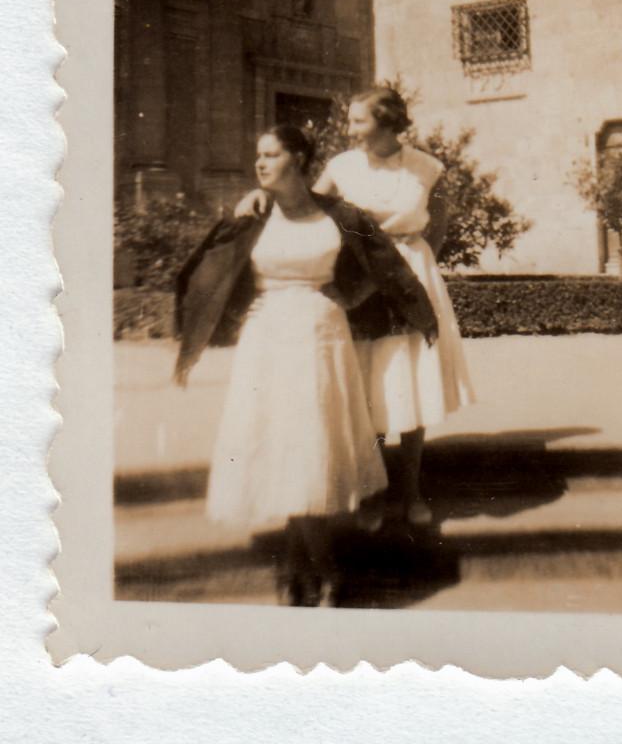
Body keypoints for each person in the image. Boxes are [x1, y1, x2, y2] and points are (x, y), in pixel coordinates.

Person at [175, 124, 437, 605]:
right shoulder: (253, 215)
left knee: (309, 445)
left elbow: (385, 265)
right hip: (266, 342)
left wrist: (353, 294)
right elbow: (208, 274)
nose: (260, 163)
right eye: (259, 154)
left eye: (271, 154)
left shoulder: (338, 214)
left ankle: (308, 569)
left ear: (297, 159)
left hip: (321, 337)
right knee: (282, 447)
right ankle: (319, 568)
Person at [236, 88, 475, 527]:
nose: (350, 129)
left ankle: (412, 491)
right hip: (358, 279)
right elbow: (302, 201)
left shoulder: (427, 168)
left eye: (359, 121)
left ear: (386, 123)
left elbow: (437, 230)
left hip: (409, 277)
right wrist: (260, 196)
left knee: (411, 385)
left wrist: (409, 273)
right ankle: (372, 492)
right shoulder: (341, 167)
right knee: (368, 388)